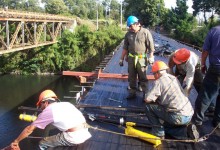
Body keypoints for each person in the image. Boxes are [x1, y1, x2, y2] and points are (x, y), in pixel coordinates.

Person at [8, 89, 91, 150]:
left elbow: (28, 130)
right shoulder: (66, 103)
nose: (41, 107)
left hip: (74, 137)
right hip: (85, 131)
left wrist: (16, 141)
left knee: (42, 143)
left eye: (41, 104)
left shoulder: (48, 111)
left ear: (46, 102)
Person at [144, 61, 199, 139]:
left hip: (178, 117)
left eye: (153, 74)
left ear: (157, 73)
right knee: (166, 125)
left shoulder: (158, 82)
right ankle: (186, 131)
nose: (154, 76)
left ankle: (158, 133)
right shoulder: (173, 78)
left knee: (148, 107)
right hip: (189, 114)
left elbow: (147, 99)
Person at [119, 16, 155, 99]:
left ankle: (145, 93)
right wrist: (121, 58)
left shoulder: (145, 32)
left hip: (141, 58)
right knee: (131, 77)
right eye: (129, 26)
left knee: (143, 76)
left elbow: (151, 46)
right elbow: (125, 47)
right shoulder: (128, 34)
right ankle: (132, 92)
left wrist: (151, 56)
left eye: (131, 26)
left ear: (137, 24)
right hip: (131, 58)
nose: (130, 28)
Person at [193, 25, 220, 127]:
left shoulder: (215, 30)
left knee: (206, 94)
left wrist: (203, 64)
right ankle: (217, 121)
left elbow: (205, 51)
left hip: (216, 68)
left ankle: (197, 120)